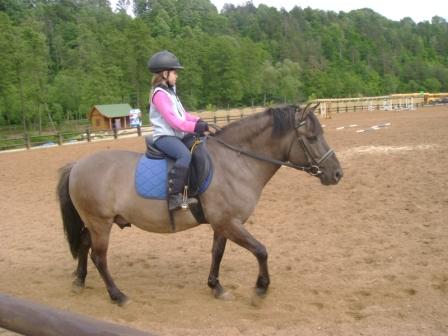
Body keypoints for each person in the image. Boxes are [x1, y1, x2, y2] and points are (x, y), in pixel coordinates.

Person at [148, 50, 209, 211]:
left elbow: (183, 115)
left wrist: (198, 121)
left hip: (176, 135)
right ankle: (174, 197)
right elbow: (174, 122)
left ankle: (193, 188)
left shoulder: (170, 93)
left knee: (199, 144)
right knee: (184, 155)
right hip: (165, 137)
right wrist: (195, 127)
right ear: (164, 74)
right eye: (174, 72)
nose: (177, 76)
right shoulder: (159, 94)